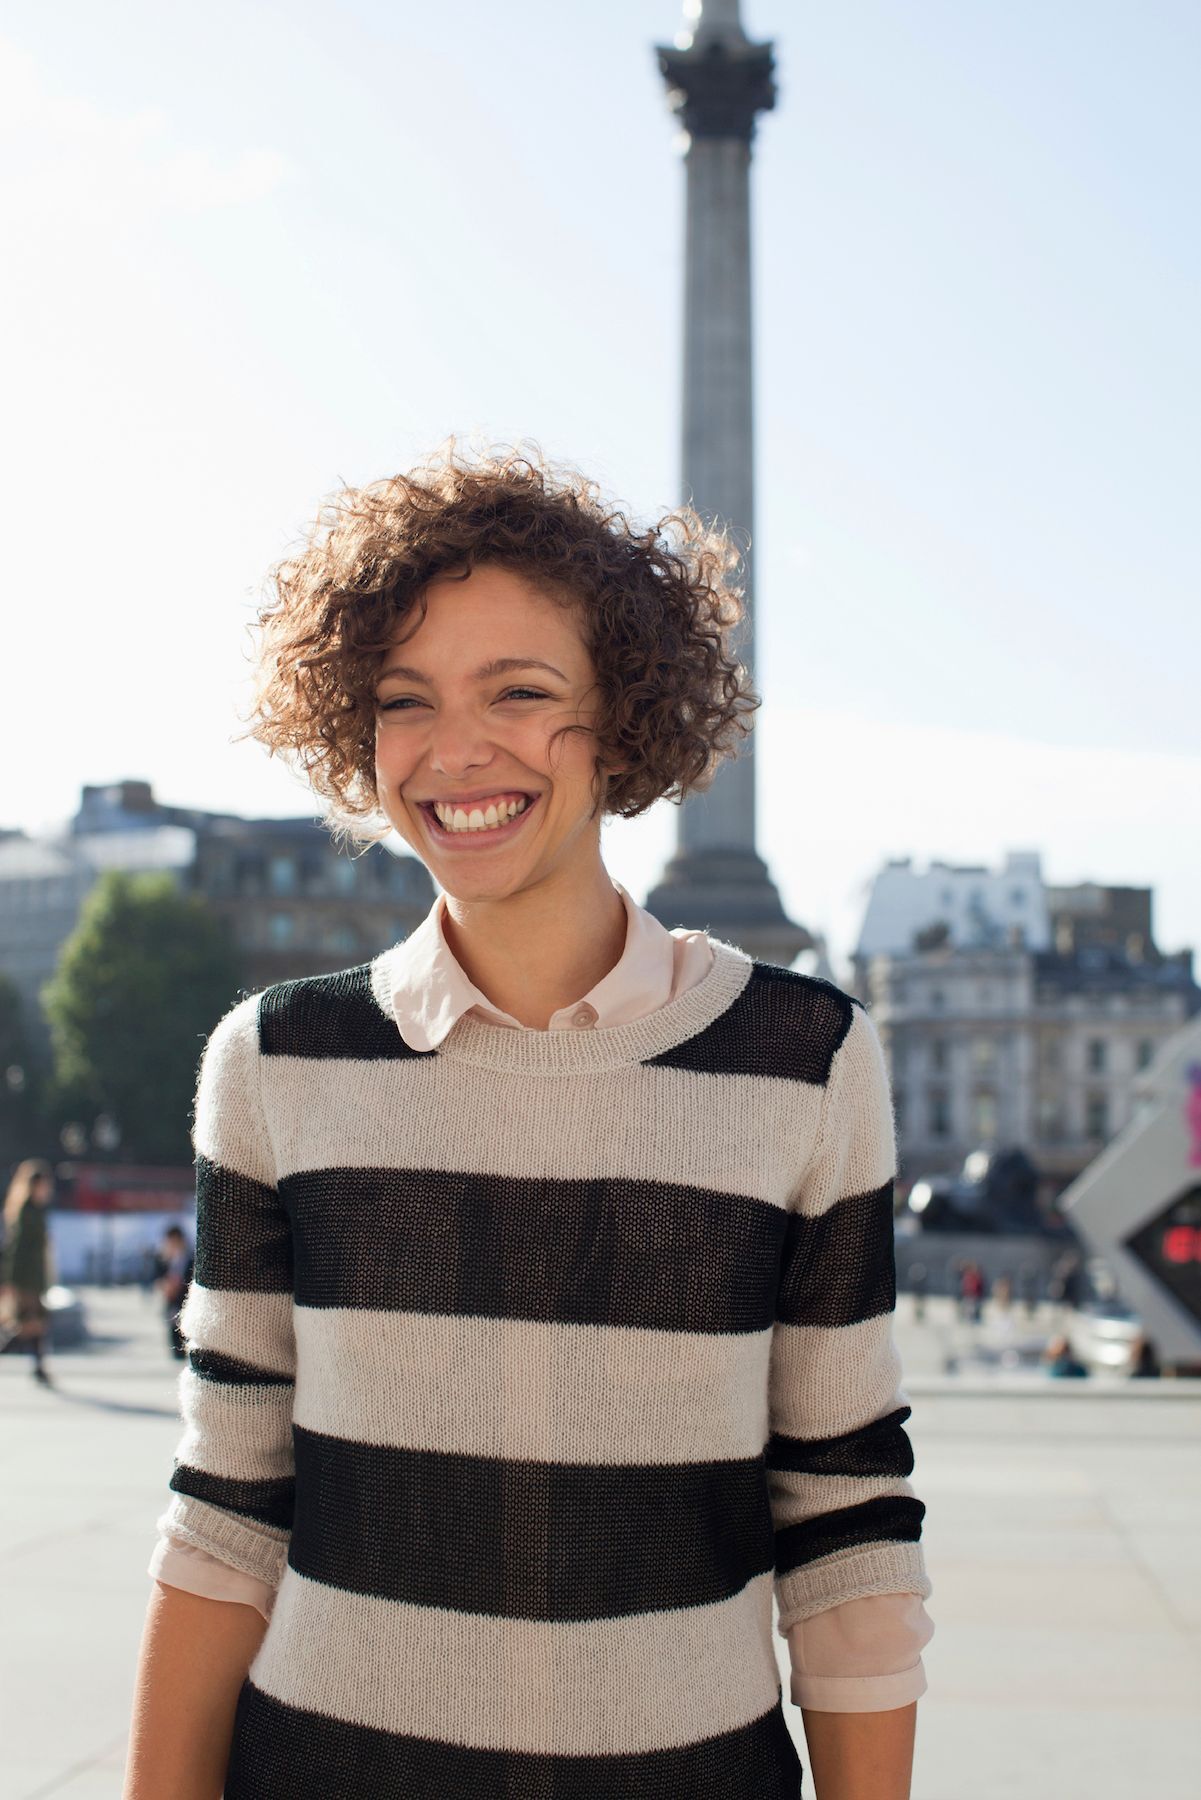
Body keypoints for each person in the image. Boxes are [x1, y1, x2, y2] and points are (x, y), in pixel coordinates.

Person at [124, 442, 935, 1800]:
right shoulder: (274, 1062)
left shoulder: (805, 1062)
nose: (455, 752)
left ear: (622, 719)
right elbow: (226, 1511)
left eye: (521, 692)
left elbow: (845, 1518)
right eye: (404, 700)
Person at [1, 1157, 56, 1385]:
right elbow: (17, 1250)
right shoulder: (27, 1212)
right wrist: (10, 1280)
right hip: (26, 1278)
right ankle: (33, 1363)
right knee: (32, 1323)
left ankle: (39, 1367)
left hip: (34, 1278)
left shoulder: (36, 1210)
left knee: (34, 1323)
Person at [154, 1225, 195, 1360]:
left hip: (187, 1302)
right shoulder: (163, 1259)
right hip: (171, 1303)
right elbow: (156, 1277)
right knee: (173, 1335)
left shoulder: (191, 1258)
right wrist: (164, 1285)